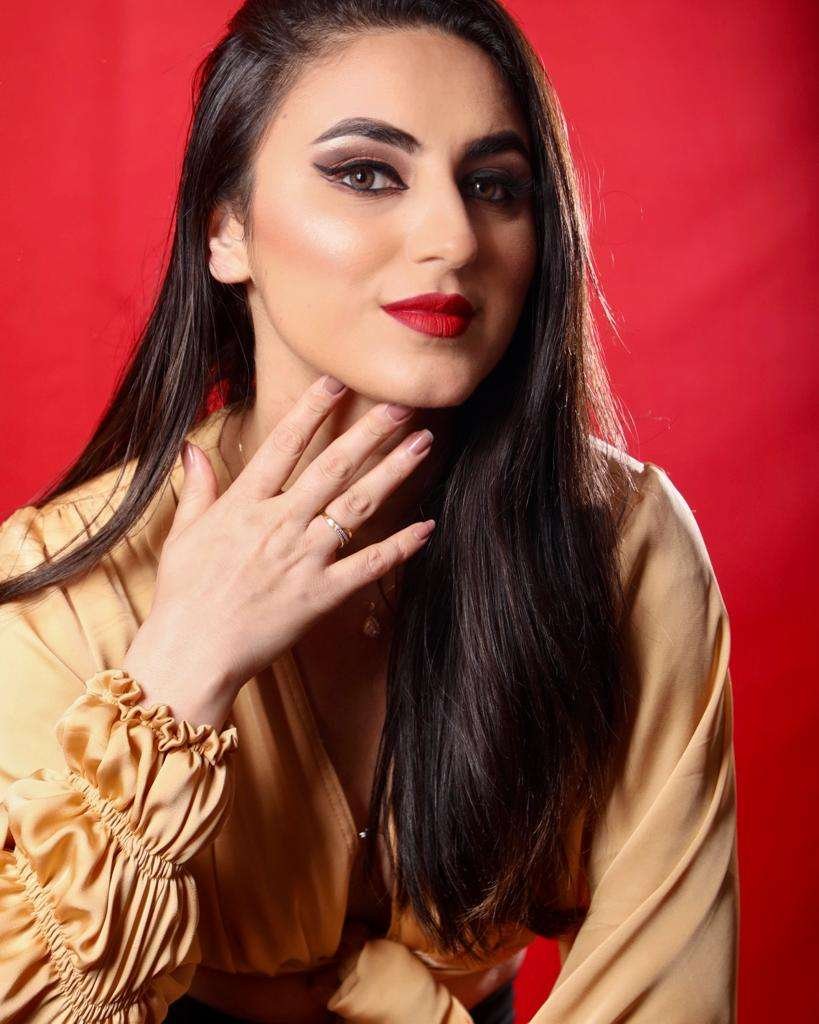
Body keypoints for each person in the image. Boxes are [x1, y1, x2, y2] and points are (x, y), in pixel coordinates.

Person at [0, 1, 739, 1021]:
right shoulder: (67, 587)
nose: (454, 236)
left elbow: (664, 992)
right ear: (226, 228)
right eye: (365, 173)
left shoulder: (623, 546)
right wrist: (176, 677)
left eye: (494, 186)